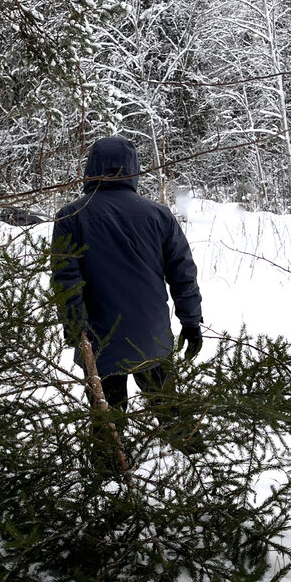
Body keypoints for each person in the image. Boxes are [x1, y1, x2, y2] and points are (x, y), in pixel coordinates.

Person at [51, 135, 203, 413]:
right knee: (173, 415)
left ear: (91, 168)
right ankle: (193, 453)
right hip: (151, 339)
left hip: (99, 345)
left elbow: (67, 283)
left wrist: (75, 330)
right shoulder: (159, 215)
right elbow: (182, 273)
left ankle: (114, 456)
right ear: (133, 168)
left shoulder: (70, 217)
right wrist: (191, 321)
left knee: (109, 430)